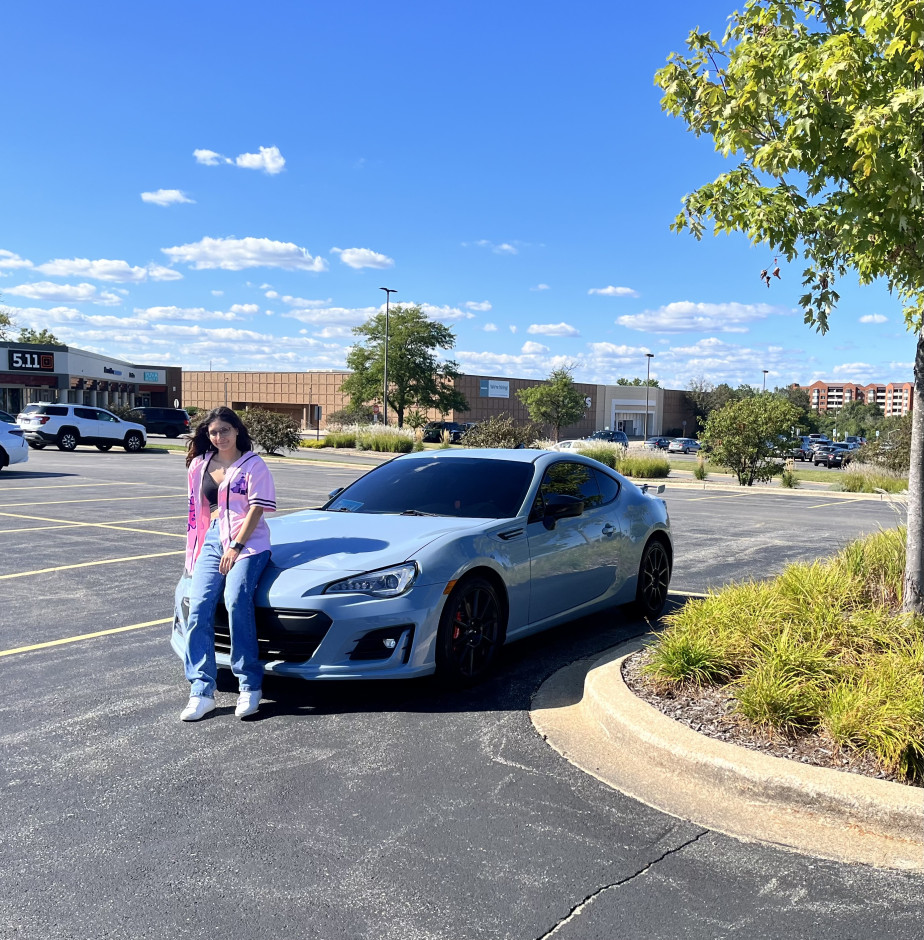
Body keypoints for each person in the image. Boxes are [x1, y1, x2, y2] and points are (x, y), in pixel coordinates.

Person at [180, 406, 276, 721]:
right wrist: (193, 552)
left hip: (249, 544)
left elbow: (256, 511)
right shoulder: (200, 465)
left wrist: (236, 546)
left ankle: (249, 685)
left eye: (224, 430)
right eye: (213, 432)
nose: (219, 437)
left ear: (237, 431)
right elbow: (197, 514)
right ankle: (201, 690)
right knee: (199, 606)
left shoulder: (253, 464)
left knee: (236, 600)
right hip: (211, 541)